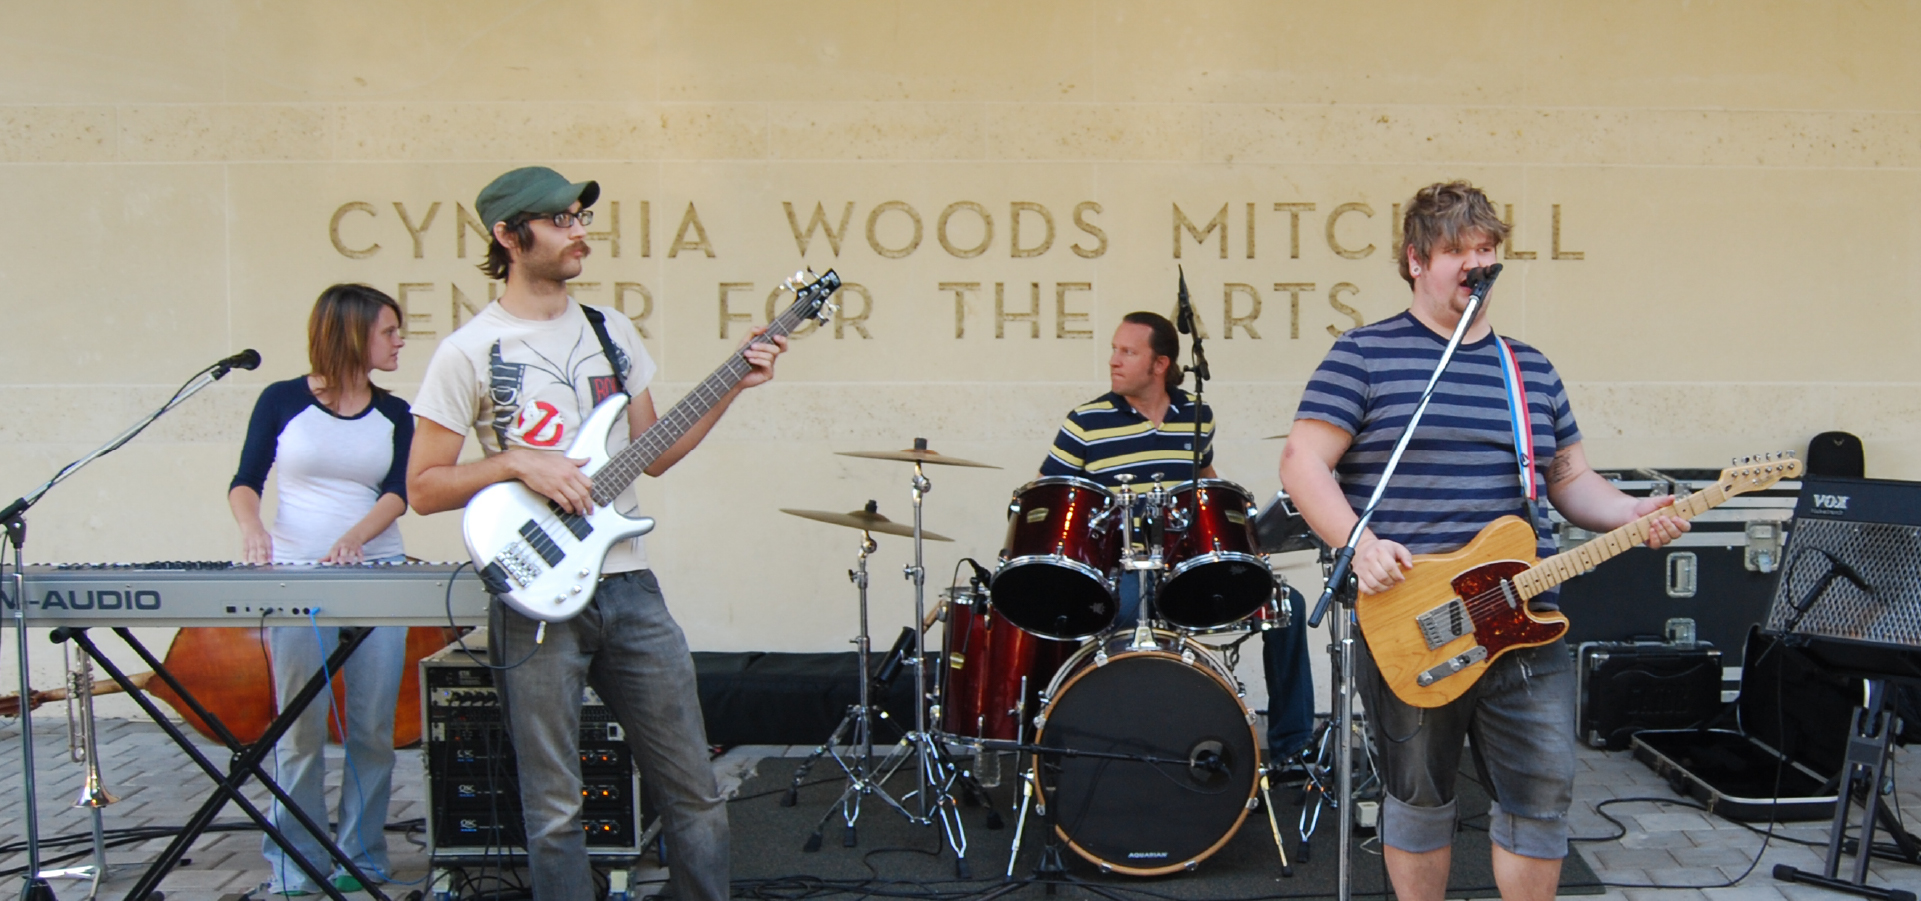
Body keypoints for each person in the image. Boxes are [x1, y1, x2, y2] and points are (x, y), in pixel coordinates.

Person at [1278, 180, 1689, 901]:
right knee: (1419, 796)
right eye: (1455, 250)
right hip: (1415, 615)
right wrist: (1360, 542)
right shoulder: (1363, 354)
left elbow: (1570, 478)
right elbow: (1301, 462)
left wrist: (1629, 511)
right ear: (1414, 260)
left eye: (1486, 248)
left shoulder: (1526, 367)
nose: (1476, 261)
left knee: (1539, 798)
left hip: (1525, 619)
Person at [406, 166, 784, 901]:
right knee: (554, 808)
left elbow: (657, 449)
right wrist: (516, 461)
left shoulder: (610, 330)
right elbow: (423, 487)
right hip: (534, 600)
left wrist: (734, 383)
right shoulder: (467, 351)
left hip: (630, 587)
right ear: (509, 237)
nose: (580, 231)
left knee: (694, 786)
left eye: (580, 216)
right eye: (560, 220)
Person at [1038, 311, 1313, 762]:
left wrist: (1246, 529)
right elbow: (1052, 497)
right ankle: (1125, 748)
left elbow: (1204, 479)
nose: (1114, 360)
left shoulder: (1196, 414)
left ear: (1160, 364)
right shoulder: (1085, 422)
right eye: (1114, 349)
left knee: (1287, 606)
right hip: (1124, 570)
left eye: (1128, 351)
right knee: (1123, 613)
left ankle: (1292, 750)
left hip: (1187, 565)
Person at [228, 283, 413, 897]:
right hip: (296, 576)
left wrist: (356, 538)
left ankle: (362, 855)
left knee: (371, 728)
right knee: (300, 728)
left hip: (378, 575)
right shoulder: (281, 400)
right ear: (352, 334)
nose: (399, 341)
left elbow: (398, 490)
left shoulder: (396, 413)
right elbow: (246, 479)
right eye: (389, 331)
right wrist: (252, 529)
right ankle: (292, 860)